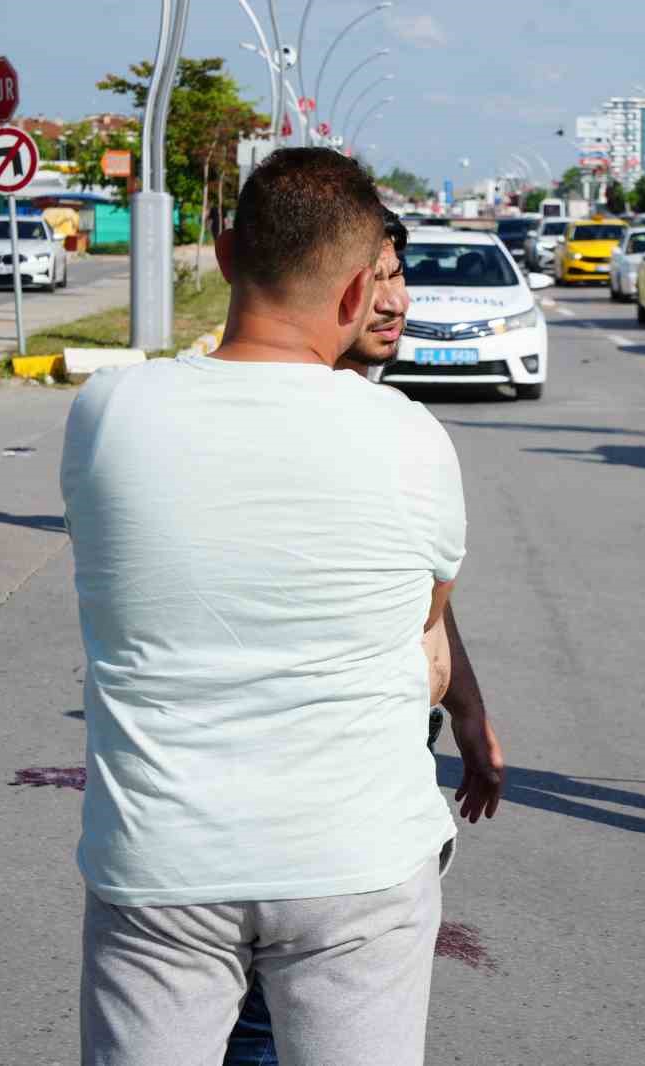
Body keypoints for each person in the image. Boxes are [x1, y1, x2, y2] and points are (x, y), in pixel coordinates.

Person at [62, 148, 504, 1066]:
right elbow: (426, 615)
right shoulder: (412, 439)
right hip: (357, 868)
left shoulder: (107, 412)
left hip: (161, 869)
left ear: (226, 256)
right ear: (355, 293)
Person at [223, 208, 505, 1066]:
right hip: (299, 817)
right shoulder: (263, 414)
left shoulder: (382, 416)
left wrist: (467, 709)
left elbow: (418, 596)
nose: (394, 301)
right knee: (265, 1028)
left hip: (355, 791)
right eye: (375, 279)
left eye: (397, 276)